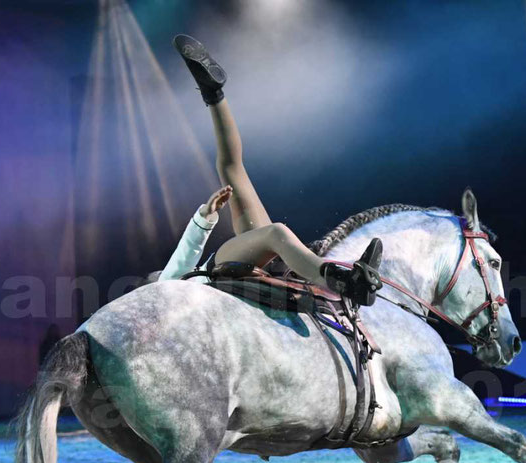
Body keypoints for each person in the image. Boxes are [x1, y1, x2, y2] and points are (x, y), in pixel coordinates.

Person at [164, 34, 383, 306]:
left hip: (213, 271)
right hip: (210, 280)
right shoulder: (159, 307)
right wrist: (202, 221)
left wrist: (204, 218)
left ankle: (213, 92)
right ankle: (342, 281)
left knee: (232, 170)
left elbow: (177, 269)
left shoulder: (159, 295)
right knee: (272, 228)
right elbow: (180, 264)